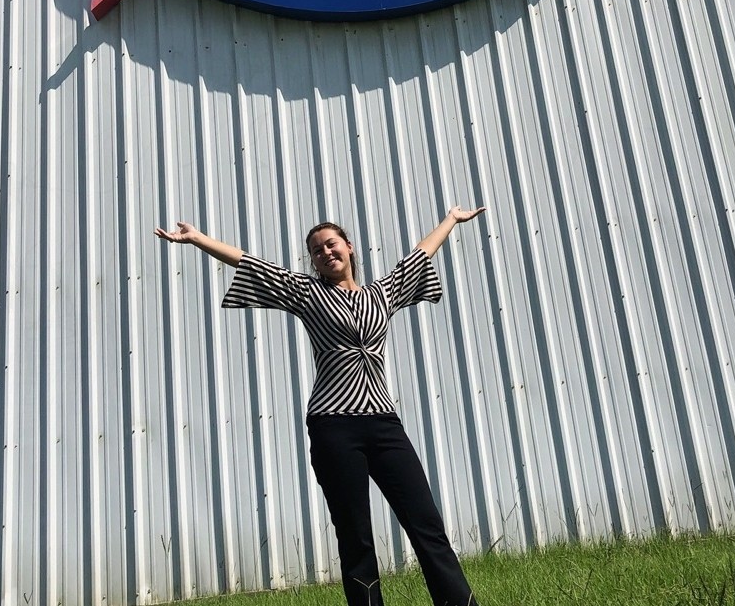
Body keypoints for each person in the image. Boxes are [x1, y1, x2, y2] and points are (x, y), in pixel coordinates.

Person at [155, 204, 486, 606]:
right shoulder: (307, 293)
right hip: (334, 426)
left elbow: (419, 255)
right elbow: (251, 263)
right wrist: (197, 239)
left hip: (384, 423)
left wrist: (450, 219)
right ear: (312, 261)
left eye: (331, 244)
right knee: (355, 535)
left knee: (426, 524)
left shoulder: (383, 293)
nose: (326, 252)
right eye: (316, 250)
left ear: (349, 247)